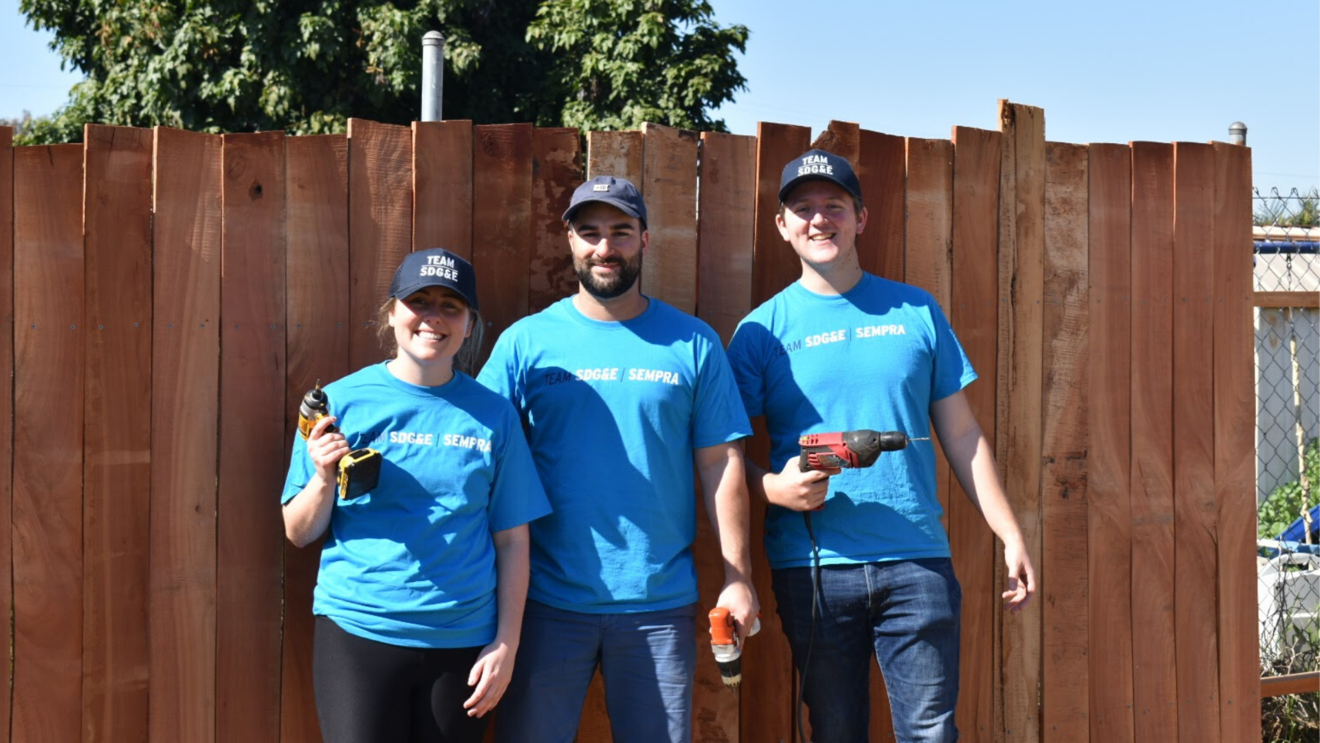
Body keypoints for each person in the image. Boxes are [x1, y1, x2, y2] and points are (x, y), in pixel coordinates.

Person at [725, 149, 1036, 742]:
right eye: (804, 209)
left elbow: (963, 434)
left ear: (861, 218)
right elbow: (722, 455)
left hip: (916, 560)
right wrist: (775, 488)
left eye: (834, 206)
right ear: (782, 227)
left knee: (930, 732)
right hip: (811, 569)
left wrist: (1010, 532)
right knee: (836, 732)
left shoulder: (916, 311)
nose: (820, 220)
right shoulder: (759, 331)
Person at [477, 176, 759, 743]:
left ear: (646, 241)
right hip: (545, 602)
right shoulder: (524, 343)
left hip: (659, 605)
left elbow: (720, 464)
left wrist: (738, 576)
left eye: (620, 232)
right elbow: (483, 453)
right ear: (571, 243)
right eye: (590, 233)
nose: (605, 247)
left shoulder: (693, 343)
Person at [281, 248, 551, 743]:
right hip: (359, 634)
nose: (433, 318)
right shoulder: (342, 403)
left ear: (470, 325)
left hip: (464, 646)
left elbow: (513, 540)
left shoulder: (494, 416)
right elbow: (298, 533)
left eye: (451, 306)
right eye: (419, 301)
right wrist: (321, 476)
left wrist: (506, 645)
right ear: (391, 313)